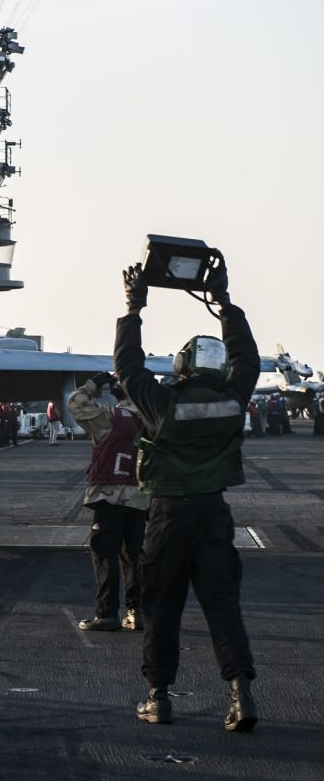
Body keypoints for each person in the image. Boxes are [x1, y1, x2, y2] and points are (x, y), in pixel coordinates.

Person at [116, 262, 259, 732]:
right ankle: (241, 695)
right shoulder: (235, 398)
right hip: (214, 515)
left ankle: (158, 697)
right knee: (222, 606)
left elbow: (129, 366)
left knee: (161, 606)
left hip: (169, 515)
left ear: (183, 364)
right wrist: (223, 301)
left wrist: (134, 307)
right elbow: (248, 357)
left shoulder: (163, 404)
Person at [67, 372, 149, 632]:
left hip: (109, 495)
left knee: (105, 555)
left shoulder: (111, 417)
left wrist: (93, 384)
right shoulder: (154, 418)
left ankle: (106, 613)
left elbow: (76, 403)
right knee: (134, 556)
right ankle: (138, 613)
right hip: (140, 498)